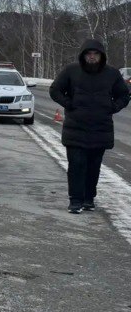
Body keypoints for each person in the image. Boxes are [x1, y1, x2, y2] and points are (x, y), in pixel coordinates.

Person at [49, 39, 130, 214]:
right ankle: (75, 201)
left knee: (94, 166)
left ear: (101, 56)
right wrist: (68, 104)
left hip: (100, 129)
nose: (92, 57)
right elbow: (55, 90)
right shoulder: (71, 71)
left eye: (96, 54)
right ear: (83, 55)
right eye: (88, 54)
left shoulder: (112, 74)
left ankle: (88, 199)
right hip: (75, 128)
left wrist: (113, 107)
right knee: (77, 165)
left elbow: (124, 95)